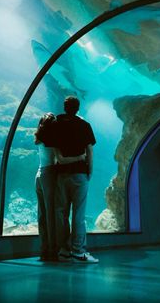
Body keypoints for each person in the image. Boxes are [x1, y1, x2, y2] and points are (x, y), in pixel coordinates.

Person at [53, 96, 99, 264]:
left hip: (61, 174)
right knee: (79, 214)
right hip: (80, 174)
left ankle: (64, 251)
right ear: (77, 108)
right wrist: (89, 171)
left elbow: (56, 153)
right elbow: (90, 151)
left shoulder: (57, 125)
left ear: (64, 107)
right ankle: (78, 252)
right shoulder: (84, 125)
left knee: (61, 213)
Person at [34, 112, 85, 262]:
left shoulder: (40, 138)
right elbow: (60, 160)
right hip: (49, 175)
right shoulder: (53, 139)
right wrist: (80, 157)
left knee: (42, 215)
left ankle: (43, 250)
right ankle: (53, 251)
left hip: (39, 174)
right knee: (50, 215)